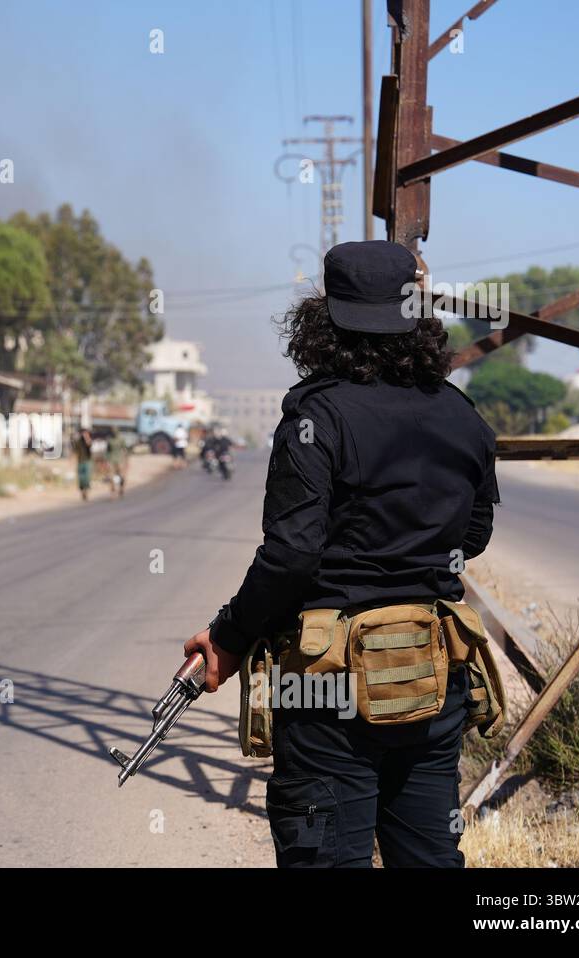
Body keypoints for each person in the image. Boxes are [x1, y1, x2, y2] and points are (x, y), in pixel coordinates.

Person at [183, 240, 499, 868]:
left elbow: (291, 556)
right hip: (432, 676)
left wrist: (228, 636)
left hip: (330, 691)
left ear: (324, 317)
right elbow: (475, 534)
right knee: (430, 856)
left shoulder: (314, 415)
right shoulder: (462, 415)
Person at [106, 430, 128, 498]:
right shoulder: (110, 440)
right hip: (112, 461)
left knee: (122, 476)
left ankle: (121, 489)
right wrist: (107, 461)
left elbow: (125, 450)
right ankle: (113, 492)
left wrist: (126, 460)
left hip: (120, 460)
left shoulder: (121, 440)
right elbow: (107, 451)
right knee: (111, 477)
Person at [73, 427, 94, 501]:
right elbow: (75, 451)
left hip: (87, 461)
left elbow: (89, 445)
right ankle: (83, 492)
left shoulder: (88, 441)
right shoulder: (78, 441)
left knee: (86, 478)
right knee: (81, 478)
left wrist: (87, 437)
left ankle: (86, 492)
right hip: (80, 462)